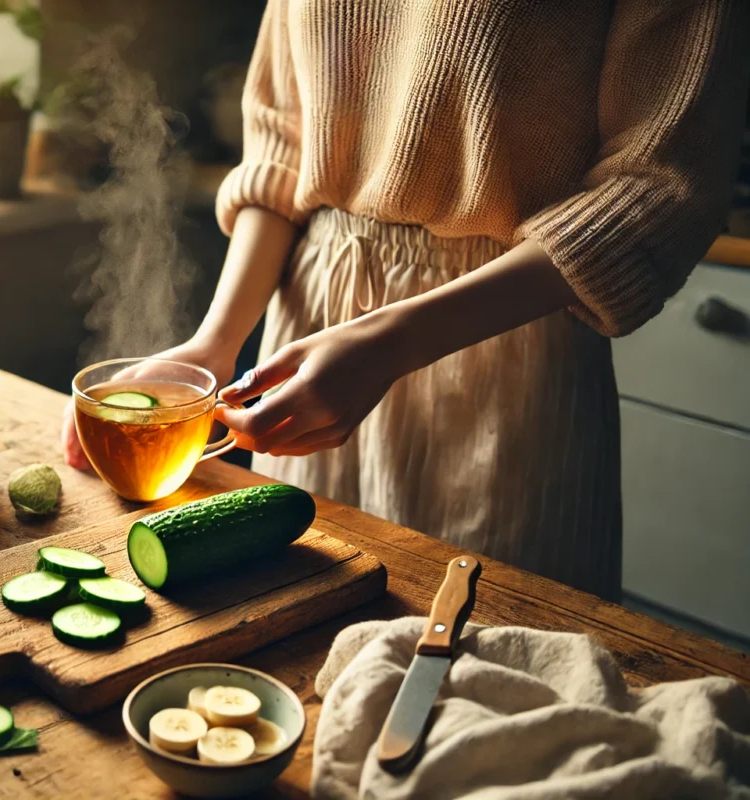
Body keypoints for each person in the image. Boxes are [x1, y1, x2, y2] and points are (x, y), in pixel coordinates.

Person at [64, 1, 749, 600]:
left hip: (498, 349)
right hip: (309, 320)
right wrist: (213, 346)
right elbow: (282, 146)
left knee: (494, 671)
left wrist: (390, 341)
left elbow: (658, 186)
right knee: (291, 629)